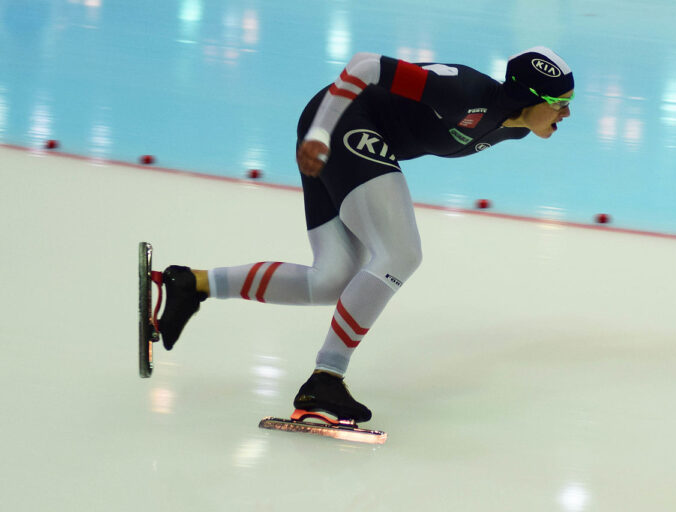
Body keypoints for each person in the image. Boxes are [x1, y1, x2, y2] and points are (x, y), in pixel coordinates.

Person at [157, 46, 574, 424]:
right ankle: (327, 377)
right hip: (342, 122)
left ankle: (190, 284)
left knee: (330, 280)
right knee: (401, 253)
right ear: (528, 98)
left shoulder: (516, 127)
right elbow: (366, 65)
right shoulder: (465, 93)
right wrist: (321, 132)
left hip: (357, 133)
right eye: (560, 104)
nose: (566, 115)